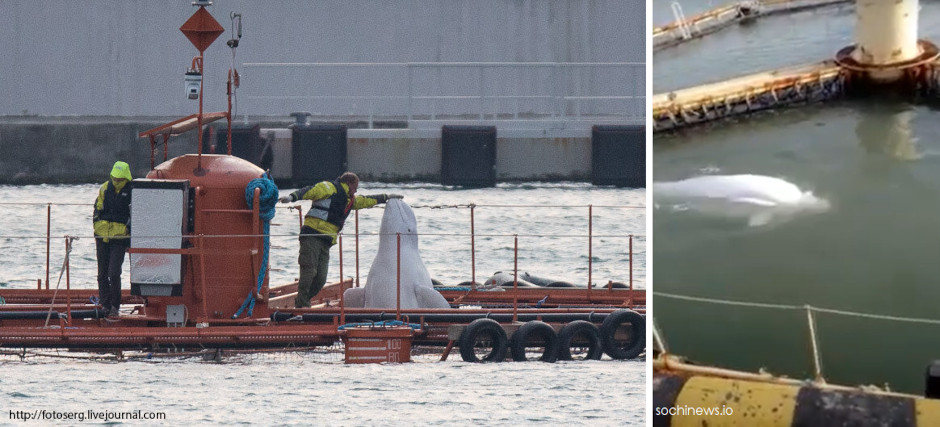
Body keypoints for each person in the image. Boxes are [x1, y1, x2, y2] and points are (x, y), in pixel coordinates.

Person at [279, 172, 402, 308]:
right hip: (312, 235)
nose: (356, 190)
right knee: (309, 270)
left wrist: (385, 198)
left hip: (326, 240)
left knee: (321, 278)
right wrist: (292, 197)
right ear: (348, 183)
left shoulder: (349, 200)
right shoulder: (329, 188)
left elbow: (365, 201)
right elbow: (310, 191)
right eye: (355, 187)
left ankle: (303, 299)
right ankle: (301, 305)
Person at [93, 161, 133, 318]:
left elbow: (134, 216)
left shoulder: (131, 192)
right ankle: (105, 305)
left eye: (119, 179)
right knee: (102, 274)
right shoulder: (104, 188)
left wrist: (128, 234)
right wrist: (97, 229)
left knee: (114, 273)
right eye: (114, 178)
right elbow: (97, 211)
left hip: (119, 238)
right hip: (102, 236)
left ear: (125, 178)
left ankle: (115, 306)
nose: (116, 181)